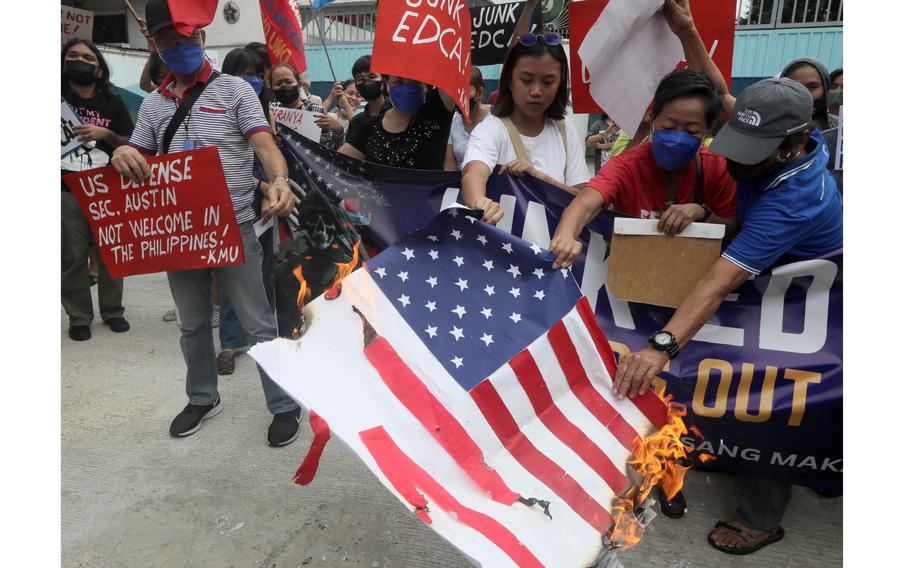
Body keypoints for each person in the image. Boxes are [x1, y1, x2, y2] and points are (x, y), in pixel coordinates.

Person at [612, 77, 842, 556]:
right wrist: (686, 29)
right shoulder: (780, 147)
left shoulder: (794, 198)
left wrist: (660, 347)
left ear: (794, 144)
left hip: (808, 304)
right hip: (768, 278)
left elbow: (716, 283)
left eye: (751, 152)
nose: (734, 160)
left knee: (774, 396)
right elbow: (721, 94)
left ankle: (760, 517)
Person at [112, 0, 301, 446]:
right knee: (193, 323)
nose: (180, 48)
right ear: (154, 45)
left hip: (234, 226)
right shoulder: (154, 107)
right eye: (168, 42)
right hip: (178, 234)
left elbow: (264, 145)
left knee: (258, 325)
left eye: (187, 39)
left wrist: (278, 179)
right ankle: (202, 396)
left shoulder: (236, 91)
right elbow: (140, 158)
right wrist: (123, 153)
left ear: (201, 38)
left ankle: (284, 403)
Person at [550, 67, 737, 267]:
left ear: (707, 132)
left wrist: (701, 212)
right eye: (669, 127)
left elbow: (732, 223)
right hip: (629, 278)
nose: (677, 138)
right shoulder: (626, 166)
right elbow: (584, 204)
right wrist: (565, 236)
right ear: (652, 123)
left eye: (691, 131)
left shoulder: (717, 168)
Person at [461, 33, 590, 224]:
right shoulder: (491, 129)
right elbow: (474, 172)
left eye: (548, 82)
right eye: (527, 80)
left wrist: (540, 179)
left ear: (560, 83)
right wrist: (479, 202)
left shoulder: (565, 130)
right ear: (509, 81)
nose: (537, 91)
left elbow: (585, 199)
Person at [61, 38, 133, 341]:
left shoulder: (113, 102)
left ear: (99, 68)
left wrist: (106, 134)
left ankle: (113, 311)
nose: (80, 61)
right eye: (73, 56)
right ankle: (79, 317)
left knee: (110, 253)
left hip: (106, 189)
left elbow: (130, 142)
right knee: (72, 256)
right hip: (65, 189)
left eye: (88, 58)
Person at [337, 73, 456, 169]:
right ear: (386, 84)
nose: (407, 88)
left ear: (425, 85)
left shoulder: (437, 110)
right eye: (398, 82)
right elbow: (334, 164)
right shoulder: (370, 127)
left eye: (415, 81)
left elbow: (450, 69)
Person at [444, 67, 490, 171]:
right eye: (455, 91)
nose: (459, 97)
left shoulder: (496, 118)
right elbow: (449, 165)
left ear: (480, 93)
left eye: (464, 90)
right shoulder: (454, 121)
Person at [346, 55, 389, 144]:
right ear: (357, 87)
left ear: (383, 82)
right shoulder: (356, 122)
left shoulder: (399, 113)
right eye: (360, 79)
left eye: (372, 76)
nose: (367, 82)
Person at [318, 79, 357, 150]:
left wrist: (347, 106)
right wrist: (331, 97)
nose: (354, 98)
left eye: (358, 95)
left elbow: (358, 130)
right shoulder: (330, 117)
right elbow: (315, 116)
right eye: (350, 93)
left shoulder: (363, 121)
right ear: (341, 94)